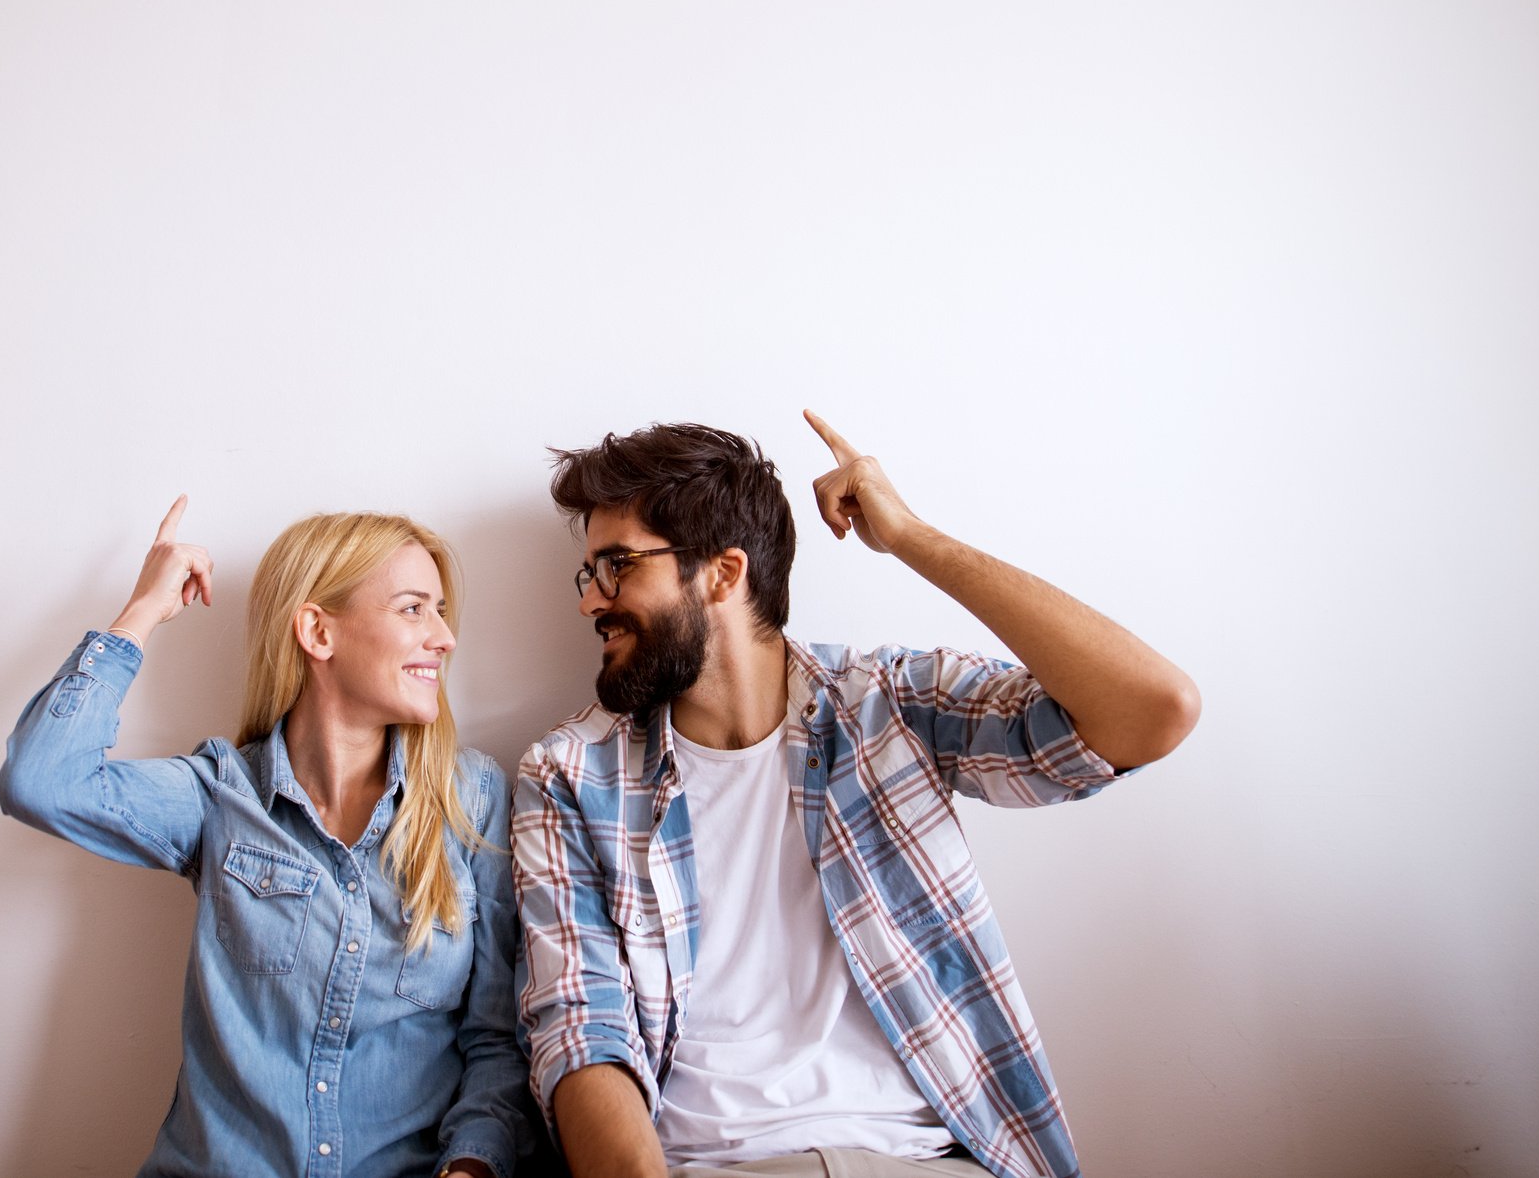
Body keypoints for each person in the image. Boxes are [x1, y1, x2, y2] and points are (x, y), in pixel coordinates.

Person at [512, 415, 1201, 1178]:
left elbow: (1152, 711)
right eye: (591, 573)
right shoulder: (571, 776)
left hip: (923, 1160)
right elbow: (580, 1028)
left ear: (723, 572)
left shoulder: (886, 704)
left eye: (617, 566)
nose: (590, 602)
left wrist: (912, 538)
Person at [0, 497, 539, 1178]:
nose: (444, 637)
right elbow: (40, 782)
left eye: (440, 610)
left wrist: (471, 1167)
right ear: (317, 630)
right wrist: (143, 611)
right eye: (412, 608)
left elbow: (497, 1042)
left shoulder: (473, 798)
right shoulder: (220, 793)